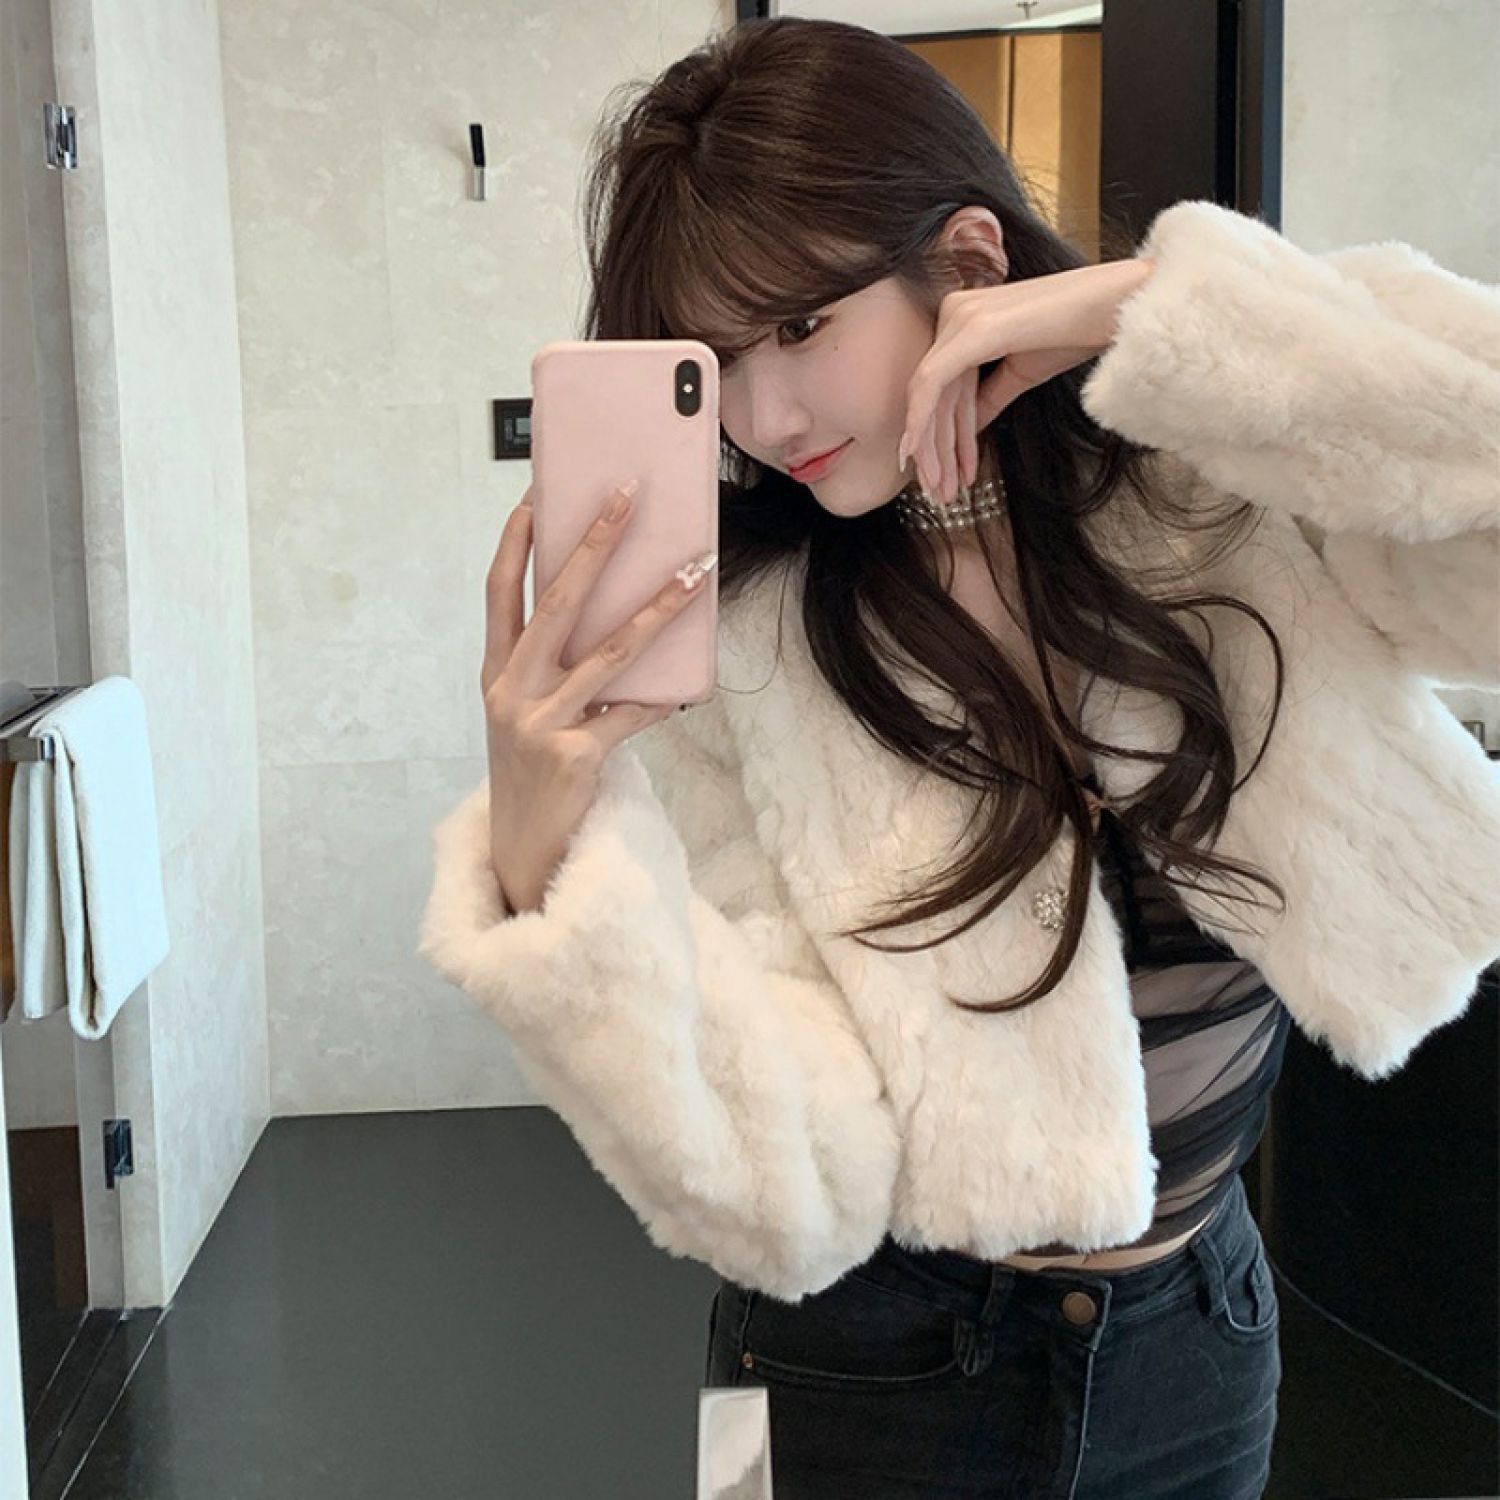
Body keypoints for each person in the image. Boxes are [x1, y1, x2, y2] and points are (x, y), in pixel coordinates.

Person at [418, 16, 1500, 1500]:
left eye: (801, 326)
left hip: (1201, 1337)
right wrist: (552, 865)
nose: (761, 417)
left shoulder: (1211, 482)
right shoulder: (739, 642)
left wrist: (1152, 310)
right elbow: (779, 1194)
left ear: (969, 260)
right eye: (714, 362)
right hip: (848, 1368)